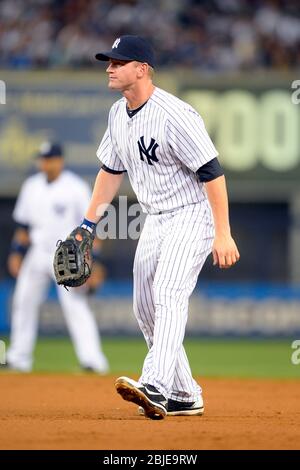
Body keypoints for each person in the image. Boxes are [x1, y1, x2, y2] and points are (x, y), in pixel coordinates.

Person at [73, 35, 240, 419]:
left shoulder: (175, 114)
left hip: (192, 212)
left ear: (142, 69)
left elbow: (213, 174)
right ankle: (185, 393)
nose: (109, 68)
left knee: (168, 292)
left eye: (118, 62)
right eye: (109, 62)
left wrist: (223, 231)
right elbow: (109, 172)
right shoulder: (118, 114)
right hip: (155, 217)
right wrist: (87, 223)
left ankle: (155, 385)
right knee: (144, 307)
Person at [6, 141, 109, 374]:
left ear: (60, 160)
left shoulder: (75, 187)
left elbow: (93, 226)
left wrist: (96, 261)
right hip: (37, 252)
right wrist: (16, 252)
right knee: (23, 302)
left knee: (76, 306)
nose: (45, 163)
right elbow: (24, 226)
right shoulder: (31, 186)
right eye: (42, 159)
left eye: (49, 158)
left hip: (68, 255)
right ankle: (18, 357)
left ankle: (92, 361)